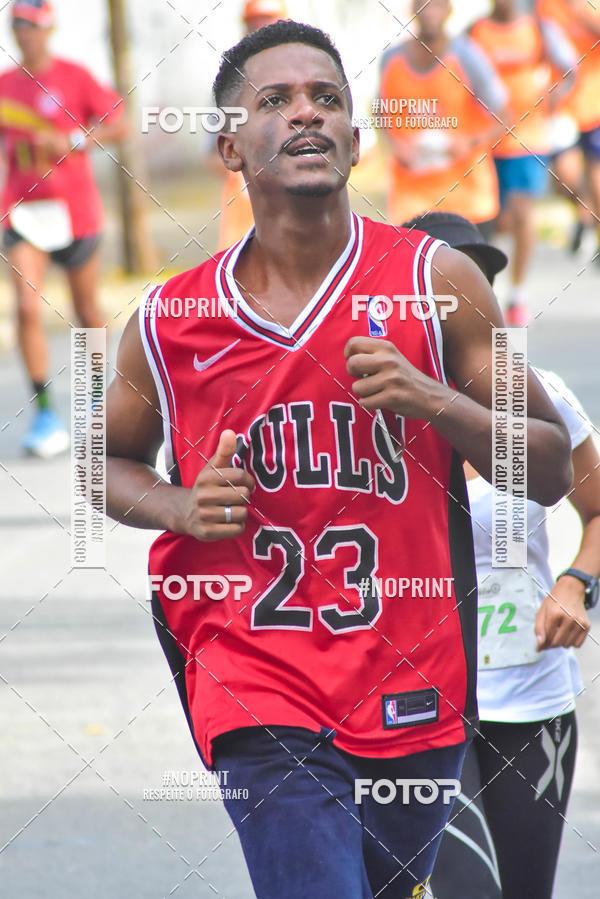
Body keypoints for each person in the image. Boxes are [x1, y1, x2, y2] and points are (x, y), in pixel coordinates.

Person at [105, 21, 573, 898]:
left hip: (412, 672)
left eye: (326, 98)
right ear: (228, 145)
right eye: (274, 101)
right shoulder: (168, 320)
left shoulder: (434, 282)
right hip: (256, 674)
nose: (305, 114)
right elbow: (109, 465)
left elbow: (548, 466)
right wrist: (178, 507)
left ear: (358, 141)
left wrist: (435, 399)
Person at [404, 212, 599, 899]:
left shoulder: (543, 403)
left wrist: (576, 583)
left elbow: (598, 509)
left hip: (529, 699)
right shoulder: (379, 411)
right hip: (416, 704)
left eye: (476, 289)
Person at [0, 0, 127, 457]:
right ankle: (45, 414)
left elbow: (118, 123)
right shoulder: (5, 85)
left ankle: (98, 404)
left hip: (75, 213)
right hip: (23, 213)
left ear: (47, 30)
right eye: (15, 26)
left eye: (30, 26)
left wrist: (73, 140)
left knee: (87, 311)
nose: (23, 34)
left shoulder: (75, 76)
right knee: (27, 309)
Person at [470, 0, 576, 326]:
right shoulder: (476, 33)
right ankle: (490, 286)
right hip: (489, 142)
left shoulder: (539, 28)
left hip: (530, 140)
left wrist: (557, 94)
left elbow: (571, 68)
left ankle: (517, 294)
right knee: (498, 221)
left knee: (522, 211)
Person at [377, 0, 509, 235]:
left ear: (449, 10)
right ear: (414, 9)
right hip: (412, 201)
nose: (430, 12)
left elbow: (505, 117)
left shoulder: (467, 55)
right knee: (415, 271)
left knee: (469, 270)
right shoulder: (391, 59)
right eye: (424, 5)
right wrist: (394, 146)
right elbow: (379, 113)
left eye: (437, 5)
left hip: (466, 198)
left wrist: (468, 143)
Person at [216, 0, 288, 251]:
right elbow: (211, 154)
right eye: (254, 24)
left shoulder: (303, 76)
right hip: (244, 208)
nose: (261, 30)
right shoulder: (230, 84)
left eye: (268, 22)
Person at [536, 0, 600, 260]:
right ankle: (584, 214)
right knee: (562, 177)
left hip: (594, 103)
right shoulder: (543, 5)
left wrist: (581, 14)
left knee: (596, 175)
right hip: (562, 105)